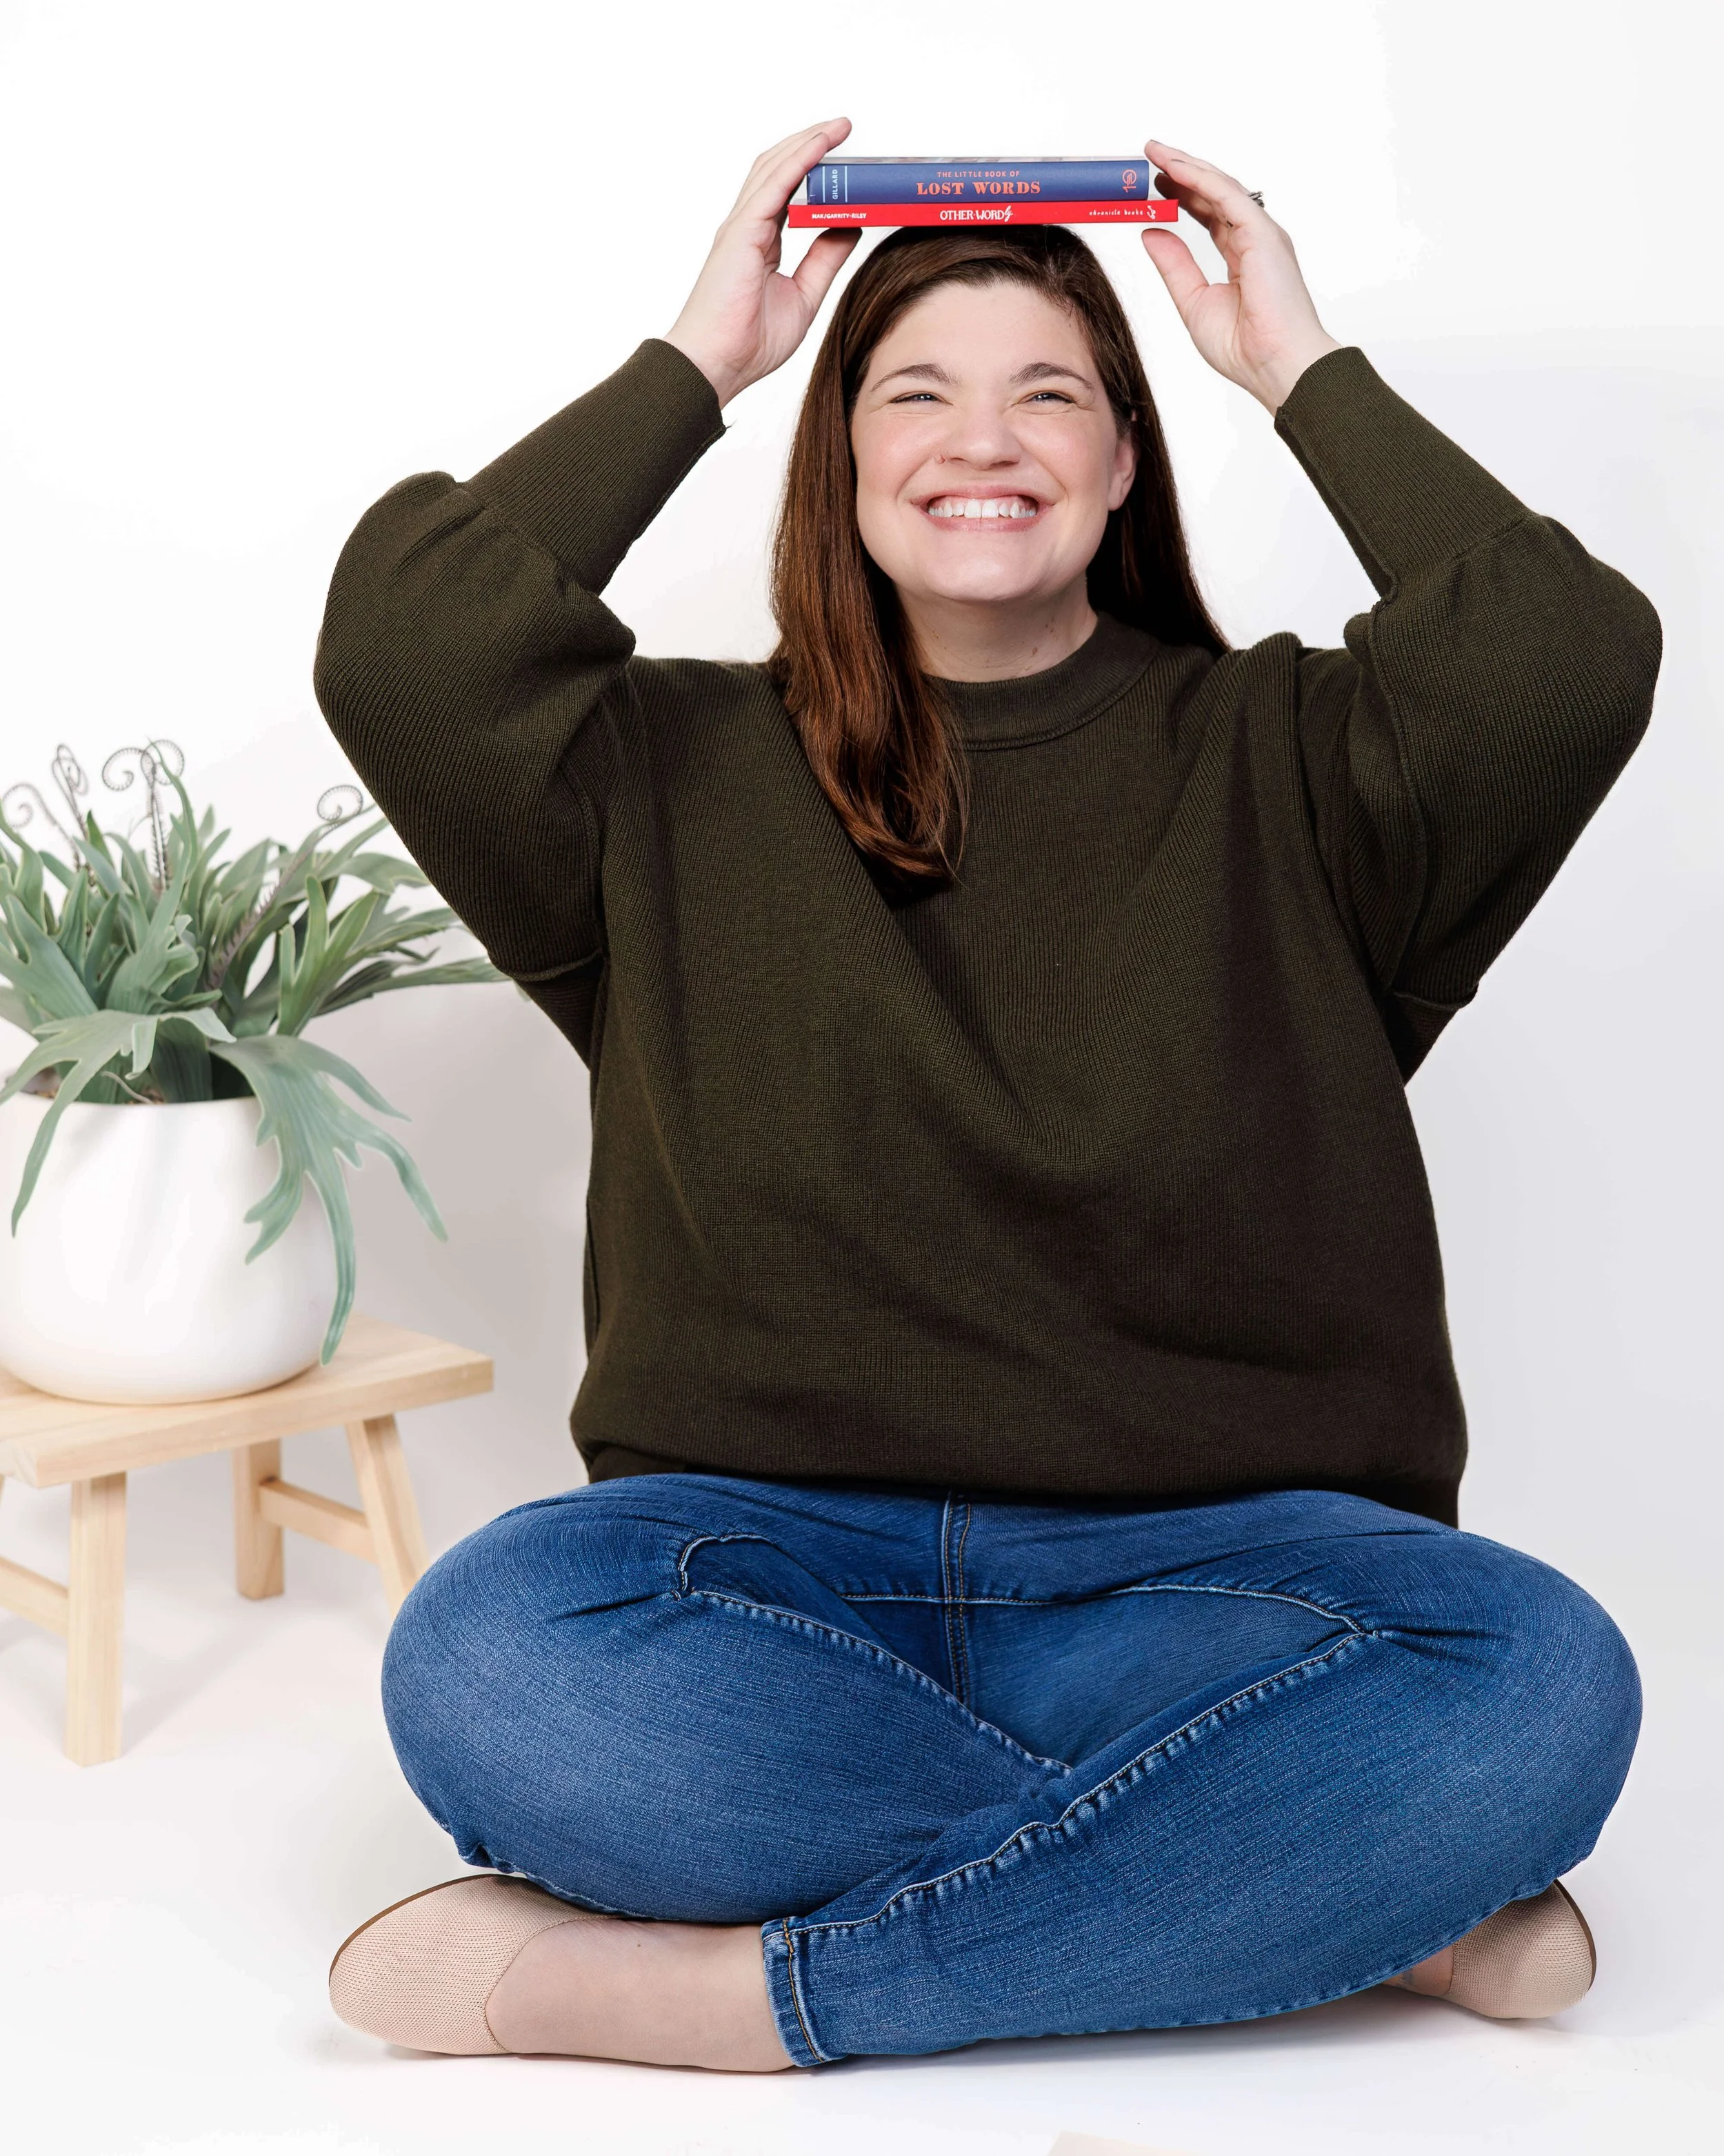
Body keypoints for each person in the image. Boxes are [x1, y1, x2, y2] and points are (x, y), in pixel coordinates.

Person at [313, 125, 1659, 2071]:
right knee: (492, 1657)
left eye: (1054, 392)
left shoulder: (1298, 759)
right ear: (839, 456)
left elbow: (1557, 658)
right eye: (914, 392)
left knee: (1533, 1688)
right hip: (763, 1574)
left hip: (1213, 1577)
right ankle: (1304, 1884)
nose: (985, 436)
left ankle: (747, 2000)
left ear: (1123, 457)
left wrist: (1295, 366)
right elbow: (409, 642)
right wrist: (695, 358)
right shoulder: (656, 771)